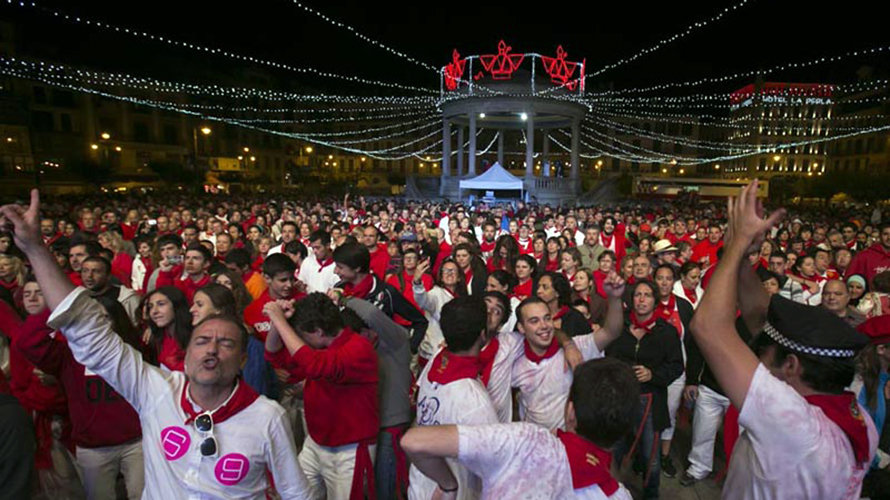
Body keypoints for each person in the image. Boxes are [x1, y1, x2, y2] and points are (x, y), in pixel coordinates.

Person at [0, 189, 311, 499]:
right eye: (202, 340)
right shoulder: (157, 390)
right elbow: (85, 328)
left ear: (243, 360)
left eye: (226, 343)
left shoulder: (268, 417)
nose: (212, 349)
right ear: (186, 354)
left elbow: (296, 493)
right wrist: (34, 248)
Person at [689, 180, 877, 499]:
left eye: (765, 351)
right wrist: (745, 257)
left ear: (790, 365)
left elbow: (707, 327)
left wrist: (735, 246)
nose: (757, 353)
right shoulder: (855, 417)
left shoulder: (792, 421)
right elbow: (762, 318)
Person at [400, 357, 637, 499]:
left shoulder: (526, 441)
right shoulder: (618, 495)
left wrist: (449, 486)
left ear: (571, 412)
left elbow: (415, 441)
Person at [15, 288, 146, 500]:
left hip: (136, 442)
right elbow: (29, 342)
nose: (98, 325)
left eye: (104, 318)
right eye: (92, 319)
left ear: (116, 320)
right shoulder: (68, 356)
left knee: (144, 495)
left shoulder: (133, 351)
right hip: (93, 447)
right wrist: (55, 304)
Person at [264, 293, 378, 500]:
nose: (301, 341)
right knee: (294, 495)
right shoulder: (317, 349)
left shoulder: (358, 348)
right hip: (316, 443)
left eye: (302, 335)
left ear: (317, 331)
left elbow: (315, 366)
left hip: (350, 450)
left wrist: (281, 322)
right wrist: (278, 321)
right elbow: (273, 353)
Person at [408, 295, 499, 500]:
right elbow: (491, 466)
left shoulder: (435, 361)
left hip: (420, 485)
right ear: (482, 335)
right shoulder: (474, 401)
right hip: (452, 492)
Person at [511, 272, 625, 431]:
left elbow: (611, 332)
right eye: (534, 321)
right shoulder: (516, 361)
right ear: (521, 328)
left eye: (547, 318)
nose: (544, 325)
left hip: (570, 444)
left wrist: (614, 299)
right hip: (535, 446)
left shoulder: (576, 348)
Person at [606, 279, 684, 499]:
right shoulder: (619, 329)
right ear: (631, 300)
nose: (641, 299)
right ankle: (611, 491)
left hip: (651, 399)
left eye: (647, 295)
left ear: (655, 301)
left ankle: (651, 495)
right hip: (621, 399)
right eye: (637, 295)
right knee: (615, 448)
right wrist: (622, 372)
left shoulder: (666, 332)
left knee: (652, 457)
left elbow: (676, 365)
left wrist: (653, 375)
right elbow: (609, 359)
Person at [342, 298, 413, 500]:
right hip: (367, 430)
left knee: (386, 491)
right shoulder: (361, 351)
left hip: (389, 429)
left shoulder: (395, 342)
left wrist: (344, 299)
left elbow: (371, 313)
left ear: (369, 331)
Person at [331, 242, 428, 354]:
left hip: (381, 362)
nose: (335, 271)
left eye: (340, 267)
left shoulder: (386, 292)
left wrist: (409, 349)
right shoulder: (339, 289)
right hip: (348, 358)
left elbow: (420, 322)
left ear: (357, 268)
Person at [854, 315, 890, 497]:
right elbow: (856, 434)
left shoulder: (882, 379)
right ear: (882, 349)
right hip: (863, 480)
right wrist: (883, 461)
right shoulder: (859, 384)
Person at [142, 286, 192, 371]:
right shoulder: (156, 336)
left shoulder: (195, 336)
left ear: (176, 306)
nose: (154, 311)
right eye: (150, 307)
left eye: (161, 304)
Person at [80, 256, 140, 324]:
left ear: (108, 275)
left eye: (96, 271)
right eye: (85, 271)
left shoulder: (127, 298)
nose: (89, 275)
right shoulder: (80, 299)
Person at [534, 271, 591, 338]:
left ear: (557, 292)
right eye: (538, 287)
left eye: (545, 287)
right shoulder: (532, 314)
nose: (539, 291)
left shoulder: (575, 318)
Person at [297, 230, 338, 294]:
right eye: (313, 248)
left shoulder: (338, 265)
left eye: (318, 248)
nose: (314, 251)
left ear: (327, 245)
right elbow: (302, 282)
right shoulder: (307, 262)